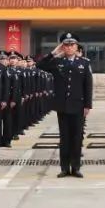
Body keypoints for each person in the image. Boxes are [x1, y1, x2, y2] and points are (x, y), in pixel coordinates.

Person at [39, 32, 95, 178]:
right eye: (66, 45)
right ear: (62, 47)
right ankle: (64, 168)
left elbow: (88, 85)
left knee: (77, 137)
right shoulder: (57, 62)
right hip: (62, 106)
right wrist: (54, 52)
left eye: (72, 45)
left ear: (77, 47)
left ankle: (75, 167)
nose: (69, 47)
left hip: (78, 105)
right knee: (64, 138)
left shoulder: (84, 63)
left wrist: (87, 105)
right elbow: (40, 65)